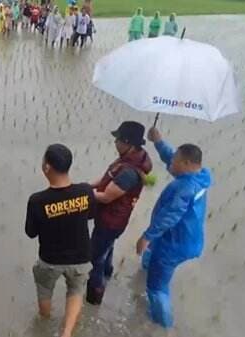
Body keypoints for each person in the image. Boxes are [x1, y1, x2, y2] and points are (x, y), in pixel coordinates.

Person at [136, 127, 211, 329]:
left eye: (176, 160)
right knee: (150, 257)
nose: (171, 163)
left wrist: (146, 236)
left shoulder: (184, 187)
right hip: (190, 239)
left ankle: (163, 325)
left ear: (186, 164)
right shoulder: (202, 175)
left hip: (174, 244)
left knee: (156, 288)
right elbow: (171, 158)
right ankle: (145, 267)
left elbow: (170, 216)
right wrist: (158, 142)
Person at [25, 144, 95, 337]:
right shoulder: (86, 191)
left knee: (45, 289)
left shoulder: (37, 200)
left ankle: (44, 323)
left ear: (47, 167)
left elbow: (31, 233)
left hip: (50, 260)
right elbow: (90, 215)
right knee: (75, 291)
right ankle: (67, 332)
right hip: (81, 258)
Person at [86, 121, 153, 305]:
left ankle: (94, 295)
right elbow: (108, 176)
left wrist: (83, 193)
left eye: (117, 140)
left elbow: (107, 197)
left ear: (128, 143)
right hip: (115, 220)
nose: (115, 143)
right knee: (107, 247)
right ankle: (107, 272)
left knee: (96, 257)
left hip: (110, 221)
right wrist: (88, 185)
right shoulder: (131, 159)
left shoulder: (129, 173)